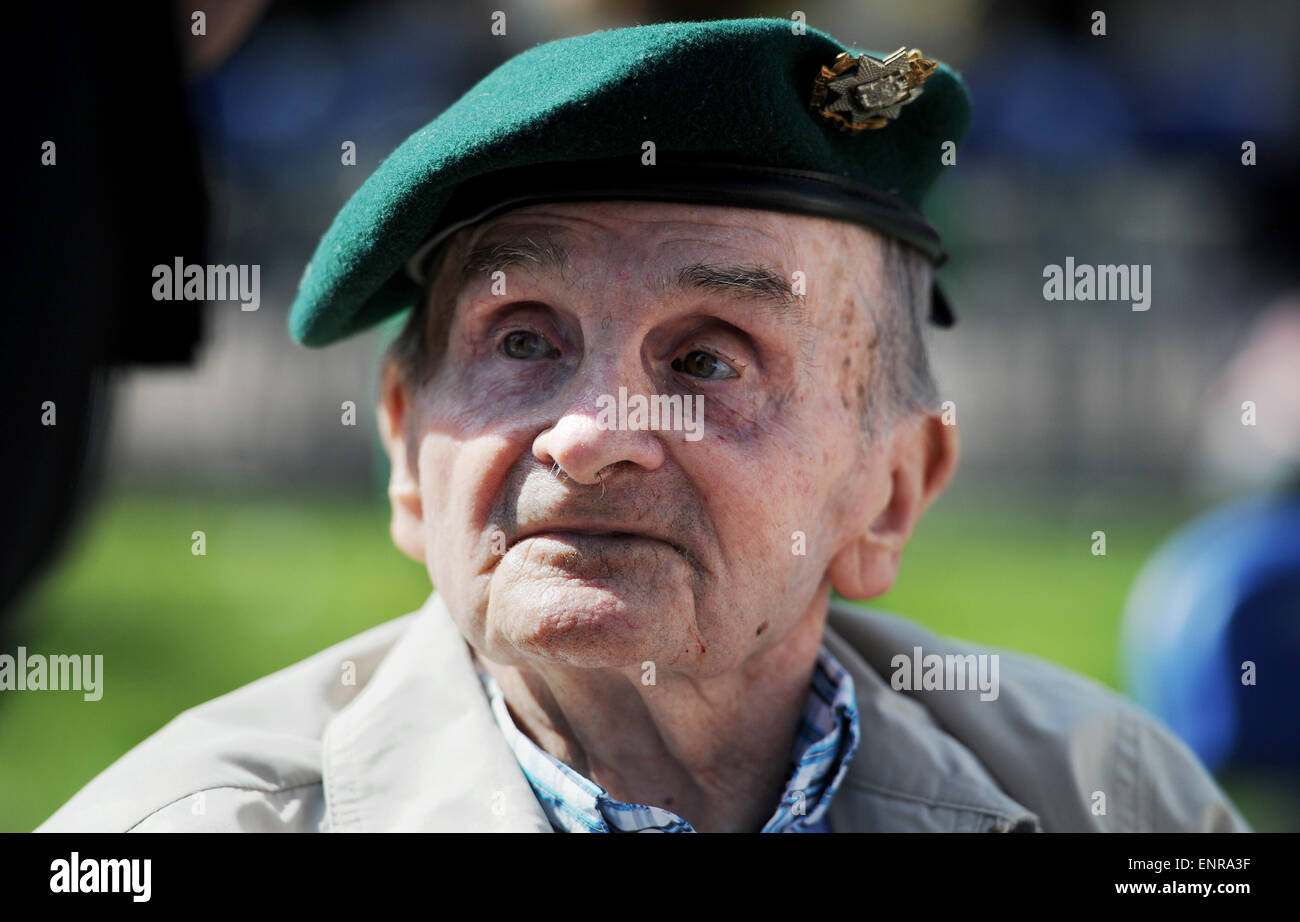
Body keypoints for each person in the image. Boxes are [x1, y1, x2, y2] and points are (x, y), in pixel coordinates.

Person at [38, 18, 1246, 833]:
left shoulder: (1119, 800)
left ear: (890, 492)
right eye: (523, 340)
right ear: (407, 452)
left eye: (710, 357)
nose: (589, 434)